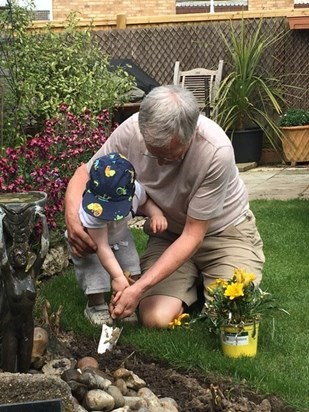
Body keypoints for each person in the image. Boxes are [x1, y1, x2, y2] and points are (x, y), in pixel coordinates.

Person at [65, 85, 265, 328]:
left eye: (169, 155)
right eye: (154, 152)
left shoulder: (215, 151)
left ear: (190, 135)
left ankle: (209, 279)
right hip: (169, 235)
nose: (160, 162)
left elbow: (193, 235)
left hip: (223, 234)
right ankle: (195, 284)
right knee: (155, 319)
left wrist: (138, 288)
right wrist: (73, 221)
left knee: (230, 314)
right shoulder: (132, 130)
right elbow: (83, 174)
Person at [70, 152, 167, 325]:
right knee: (95, 271)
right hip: (91, 242)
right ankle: (96, 305)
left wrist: (156, 214)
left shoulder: (136, 190)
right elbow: (102, 247)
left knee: (131, 267)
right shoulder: (92, 210)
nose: (108, 213)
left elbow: (145, 202)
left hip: (119, 236)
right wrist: (116, 277)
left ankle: (126, 300)